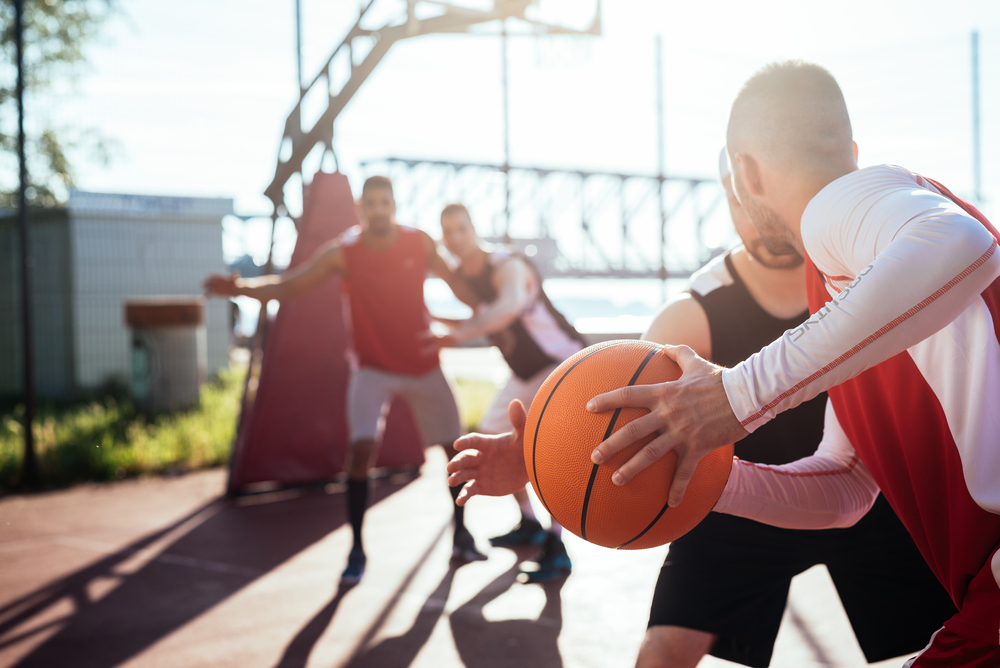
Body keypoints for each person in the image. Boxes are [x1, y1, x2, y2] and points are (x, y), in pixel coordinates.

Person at [576, 62, 1000, 666]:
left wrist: (734, 397)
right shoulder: (851, 281)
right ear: (848, 148)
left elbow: (961, 245)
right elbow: (846, 485)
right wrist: (709, 481)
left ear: (743, 172)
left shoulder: (844, 208)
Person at [631, 150, 954, 668]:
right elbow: (615, 418)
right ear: (732, 195)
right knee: (666, 651)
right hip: (740, 495)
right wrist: (535, 459)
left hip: (871, 490)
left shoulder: (871, 281)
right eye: (739, 196)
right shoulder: (692, 313)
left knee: (956, 635)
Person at [203, 175, 487, 586]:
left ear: (394, 205)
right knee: (359, 454)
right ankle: (356, 549)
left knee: (454, 449)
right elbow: (289, 286)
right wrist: (241, 288)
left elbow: (461, 286)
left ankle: (461, 533)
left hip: (423, 364)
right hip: (371, 369)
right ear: (359, 208)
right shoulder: (344, 253)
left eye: (384, 202)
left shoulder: (419, 242)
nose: (377, 210)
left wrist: (502, 308)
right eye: (369, 203)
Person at [427, 202, 585, 582]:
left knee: (552, 456)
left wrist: (454, 335)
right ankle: (529, 523)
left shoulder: (507, 265)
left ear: (474, 228)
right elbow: (481, 318)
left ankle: (557, 545)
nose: (455, 238)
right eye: (448, 232)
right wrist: (429, 318)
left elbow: (509, 306)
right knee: (495, 440)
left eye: (461, 229)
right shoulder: (469, 278)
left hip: (563, 365)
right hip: (526, 373)